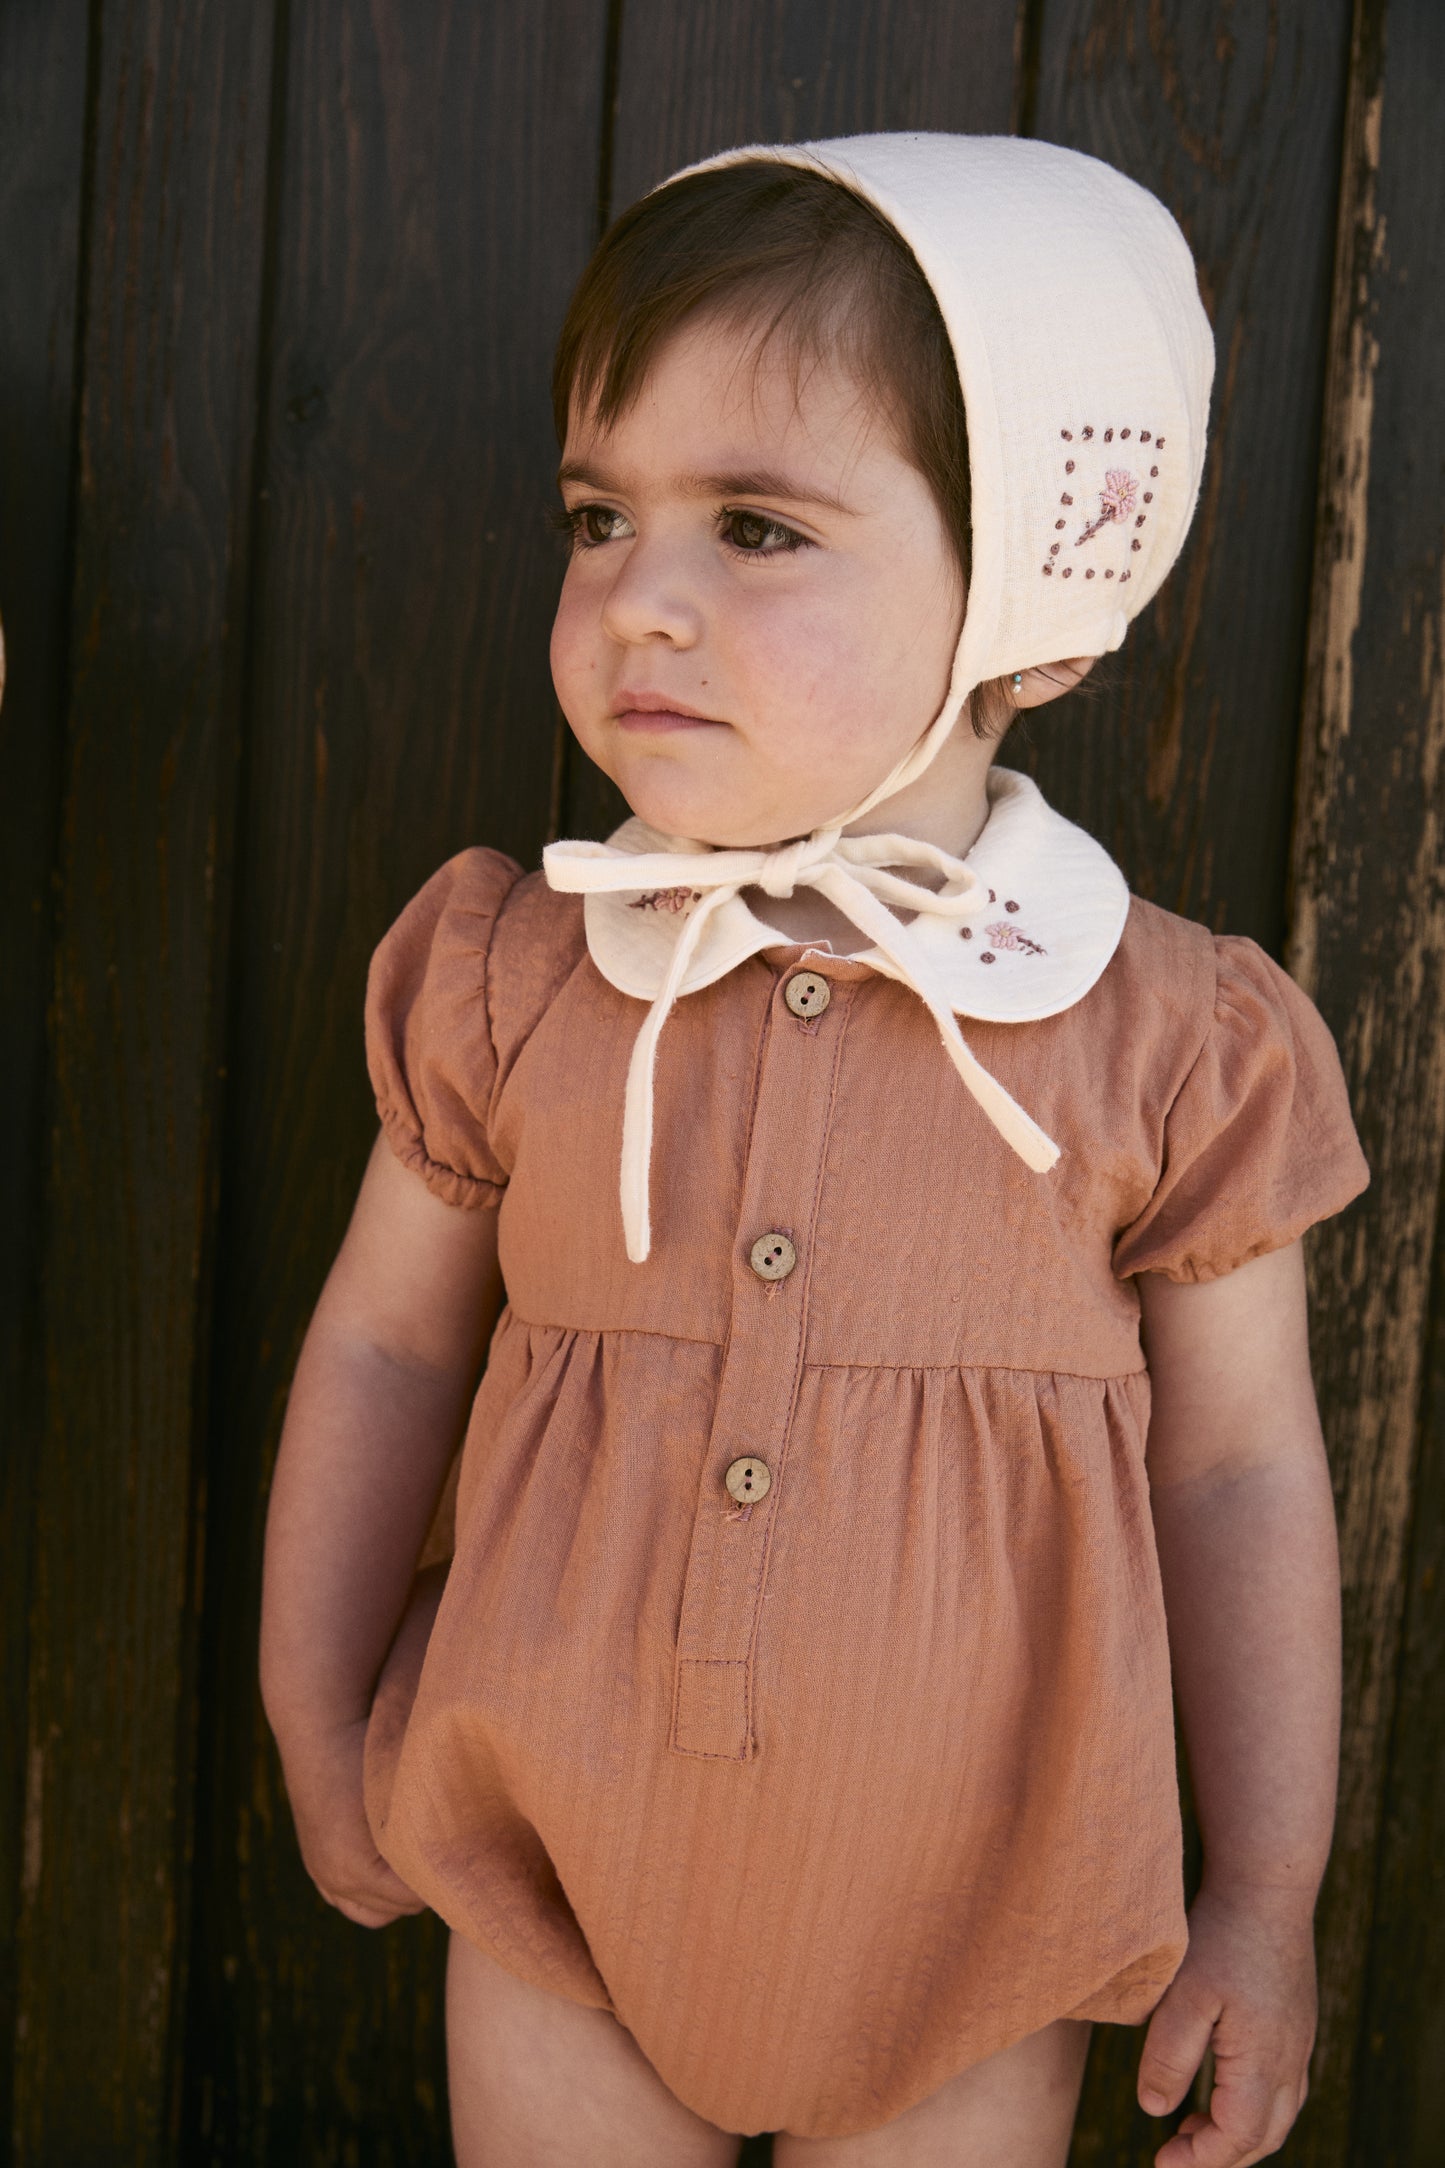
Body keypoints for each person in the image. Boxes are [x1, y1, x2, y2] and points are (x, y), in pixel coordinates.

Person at [259, 134, 1370, 2167]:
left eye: (756, 528)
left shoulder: (1164, 1039)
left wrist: (1263, 1899)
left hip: (981, 1926)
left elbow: (1237, 1467)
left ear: (1035, 607)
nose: (637, 603)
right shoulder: (517, 974)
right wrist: (317, 1710)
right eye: (599, 516)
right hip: (557, 1893)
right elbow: (385, 1349)